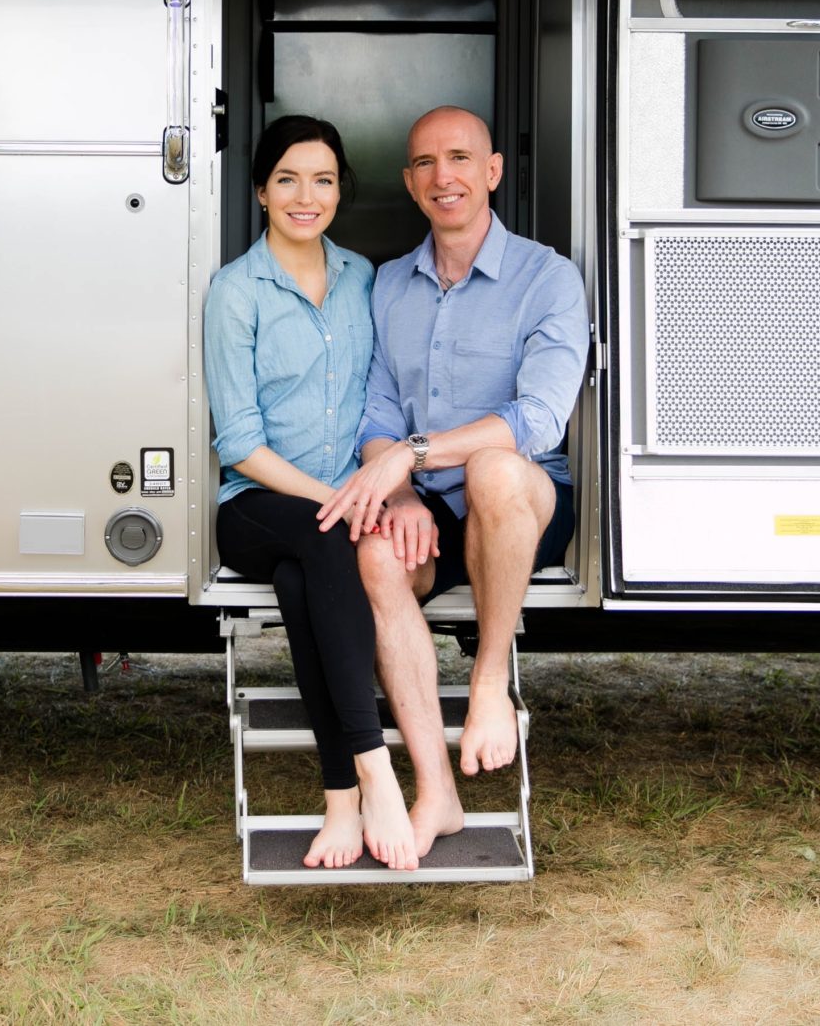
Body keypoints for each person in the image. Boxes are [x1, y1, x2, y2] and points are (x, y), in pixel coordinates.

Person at [316, 105, 589, 857]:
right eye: (427, 163)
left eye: (461, 158)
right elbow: (375, 412)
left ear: (492, 171)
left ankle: (489, 682)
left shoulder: (547, 277)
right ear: (410, 183)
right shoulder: (388, 286)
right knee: (376, 555)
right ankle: (437, 792)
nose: (445, 177)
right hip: (430, 503)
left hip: (523, 500)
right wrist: (401, 489)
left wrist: (414, 454)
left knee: (494, 469)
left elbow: (540, 418)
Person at [205, 115, 420, 871]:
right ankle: (376, 771)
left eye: (323, 180)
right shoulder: (236, 291)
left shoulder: (364, 277)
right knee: (323, 537)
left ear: (340, 190)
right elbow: (239, 442)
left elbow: (383, 394)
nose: (307, 196)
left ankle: (340, 802)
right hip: (256, 506)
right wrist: (342, 498)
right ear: (261, 191)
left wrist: (381, 483)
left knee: (306, 582)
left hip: (333, 516)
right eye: (288, 179)